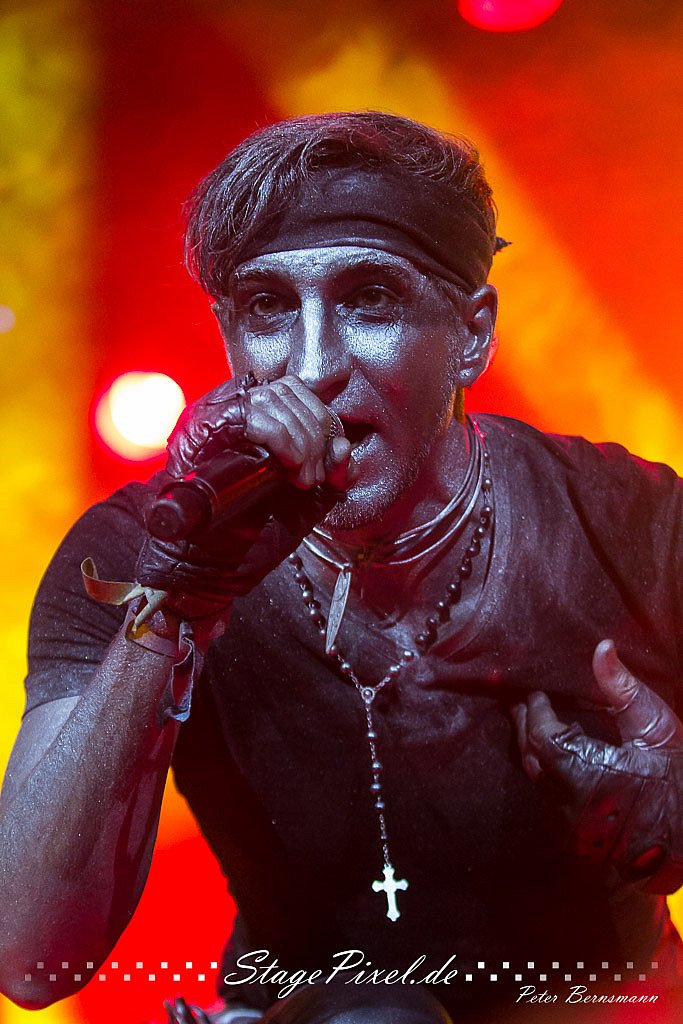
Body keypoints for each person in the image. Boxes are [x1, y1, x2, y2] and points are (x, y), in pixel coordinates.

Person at [0, 111, 682, 1024]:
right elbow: (30, 958)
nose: (315, 366)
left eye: (370, 299)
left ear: (472, 334)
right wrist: (172, 614)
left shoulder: (639, 529)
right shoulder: (142, 553)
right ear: (229, 338)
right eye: (267, 308)